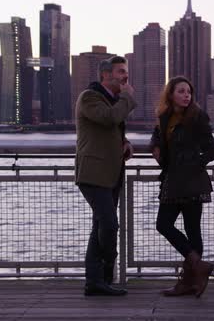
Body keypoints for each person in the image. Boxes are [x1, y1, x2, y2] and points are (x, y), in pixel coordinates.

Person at [150, 76, 214, 298]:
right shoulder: (164, 117)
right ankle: (198, 268)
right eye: (181, 91)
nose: (186, 95)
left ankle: (188, 281)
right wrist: (156, 147)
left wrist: (192, 164)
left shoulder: (197, 117)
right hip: (172, 180)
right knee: (163, 224)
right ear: (171, 94)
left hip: (191, 181)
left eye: (188, 91)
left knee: (192, 230)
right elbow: (158, 138)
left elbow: (211, 150)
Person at [75, 56, 136, 296]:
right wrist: (128, 97)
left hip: (111, 173)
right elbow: (109, 117)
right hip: (93, 173)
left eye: (125, 71)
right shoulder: (89, 97)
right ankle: (106, 270)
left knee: (101, 224)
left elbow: (109, 128)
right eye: (120, 72)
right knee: (109, 224)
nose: (125, 76)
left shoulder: (110, 100)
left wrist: (125, 142)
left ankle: (95, 281)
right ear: (105, 76)